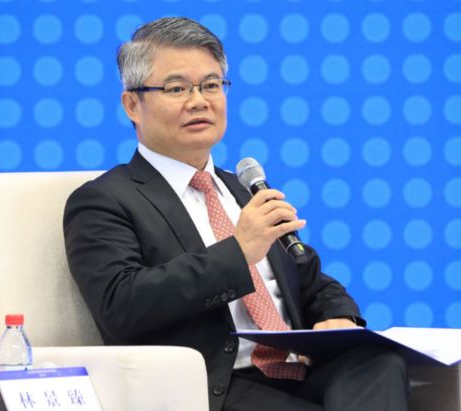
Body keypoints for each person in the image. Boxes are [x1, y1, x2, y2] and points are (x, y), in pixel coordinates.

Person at [64, 16, 408, 411]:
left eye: (211, 85)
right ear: (132, 105)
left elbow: (310, 279)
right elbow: (121, 306)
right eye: (177, 88)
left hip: (297, 370)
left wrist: (340, 317)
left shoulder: (243, 189)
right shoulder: (104, 200)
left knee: (379, 363)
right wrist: (238, 252)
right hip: (215, 383)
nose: (199, 101)